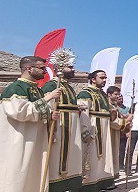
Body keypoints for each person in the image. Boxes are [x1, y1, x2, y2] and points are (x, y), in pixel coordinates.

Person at [0, 56, 60, 192]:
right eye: (42, 68)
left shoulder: (37, 89)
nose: (45, 72)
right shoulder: (15, 88)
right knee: (16, 176)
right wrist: (48, 98)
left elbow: (38, 110)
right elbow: (19, 111)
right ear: (29, 68)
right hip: (18, 140)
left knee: (32, 175)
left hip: (34, 141)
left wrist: (50, 115)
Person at [78, 70, 125, 191]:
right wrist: (85, 131)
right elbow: (83, 113)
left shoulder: (103, 95)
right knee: (92, 156)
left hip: (105, 130)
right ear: (93, 79)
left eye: (105, 78)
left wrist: (115, 114)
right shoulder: (85, 93)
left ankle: (102, 182)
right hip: (93, 128)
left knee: (104, 156)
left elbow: (110, 115)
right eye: (102, 78)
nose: (104, 80)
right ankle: (88, 184)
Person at [41, 56, 84, 192]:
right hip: (59, 128)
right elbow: (47, 106)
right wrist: (49, 128)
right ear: (59, 68)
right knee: (57, 158)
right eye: (70, 67)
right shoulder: (52, 85)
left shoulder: (69, 88)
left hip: (71, 129)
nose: (73, 69)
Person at [106, 86, 132, 176]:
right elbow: (111, 122)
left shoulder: (114, 106)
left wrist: (127, 125)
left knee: (115, 153)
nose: (118, 96)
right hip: (108, 133)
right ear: (109, 94)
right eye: (116, 94)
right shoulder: (107, 106)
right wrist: (126, 121)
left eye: (118, 94)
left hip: (116, 133)